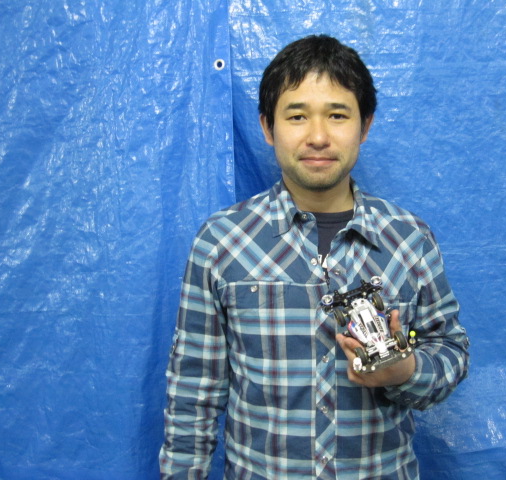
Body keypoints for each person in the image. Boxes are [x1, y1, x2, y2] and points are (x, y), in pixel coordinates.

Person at [160, 34, 469, 480]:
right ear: (268, 128)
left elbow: (450, 350)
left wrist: (406, 370)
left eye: (338, 115)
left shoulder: (409, 239)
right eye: (297, 116)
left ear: (364, 126)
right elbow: (193, 391)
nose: (318, 137)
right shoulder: (221, 242)